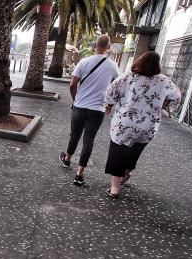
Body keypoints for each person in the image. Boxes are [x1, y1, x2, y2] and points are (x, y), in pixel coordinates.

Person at [103, 51, 181, 199]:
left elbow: (112, 90)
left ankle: (114, 188)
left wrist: (110, 105)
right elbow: (177, 96)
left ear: (139, 61)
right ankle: (125, 174)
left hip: (125, 123)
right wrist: (163, 105)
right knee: (134, 152)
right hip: (148, 124)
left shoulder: (129, 76)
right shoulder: (164, 81)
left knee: (117, 153)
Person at [59, 34, 119, 186]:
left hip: (79, 106)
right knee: (89, 140)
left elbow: (72, 84)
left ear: (94, 46)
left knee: (75, 135)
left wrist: (75, 99)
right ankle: (79, 174)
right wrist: (109, 104)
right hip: (97, 109)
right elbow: (115, 87)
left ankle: (67, 160)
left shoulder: (84, 62)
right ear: (109, 47)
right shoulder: (112, 66)